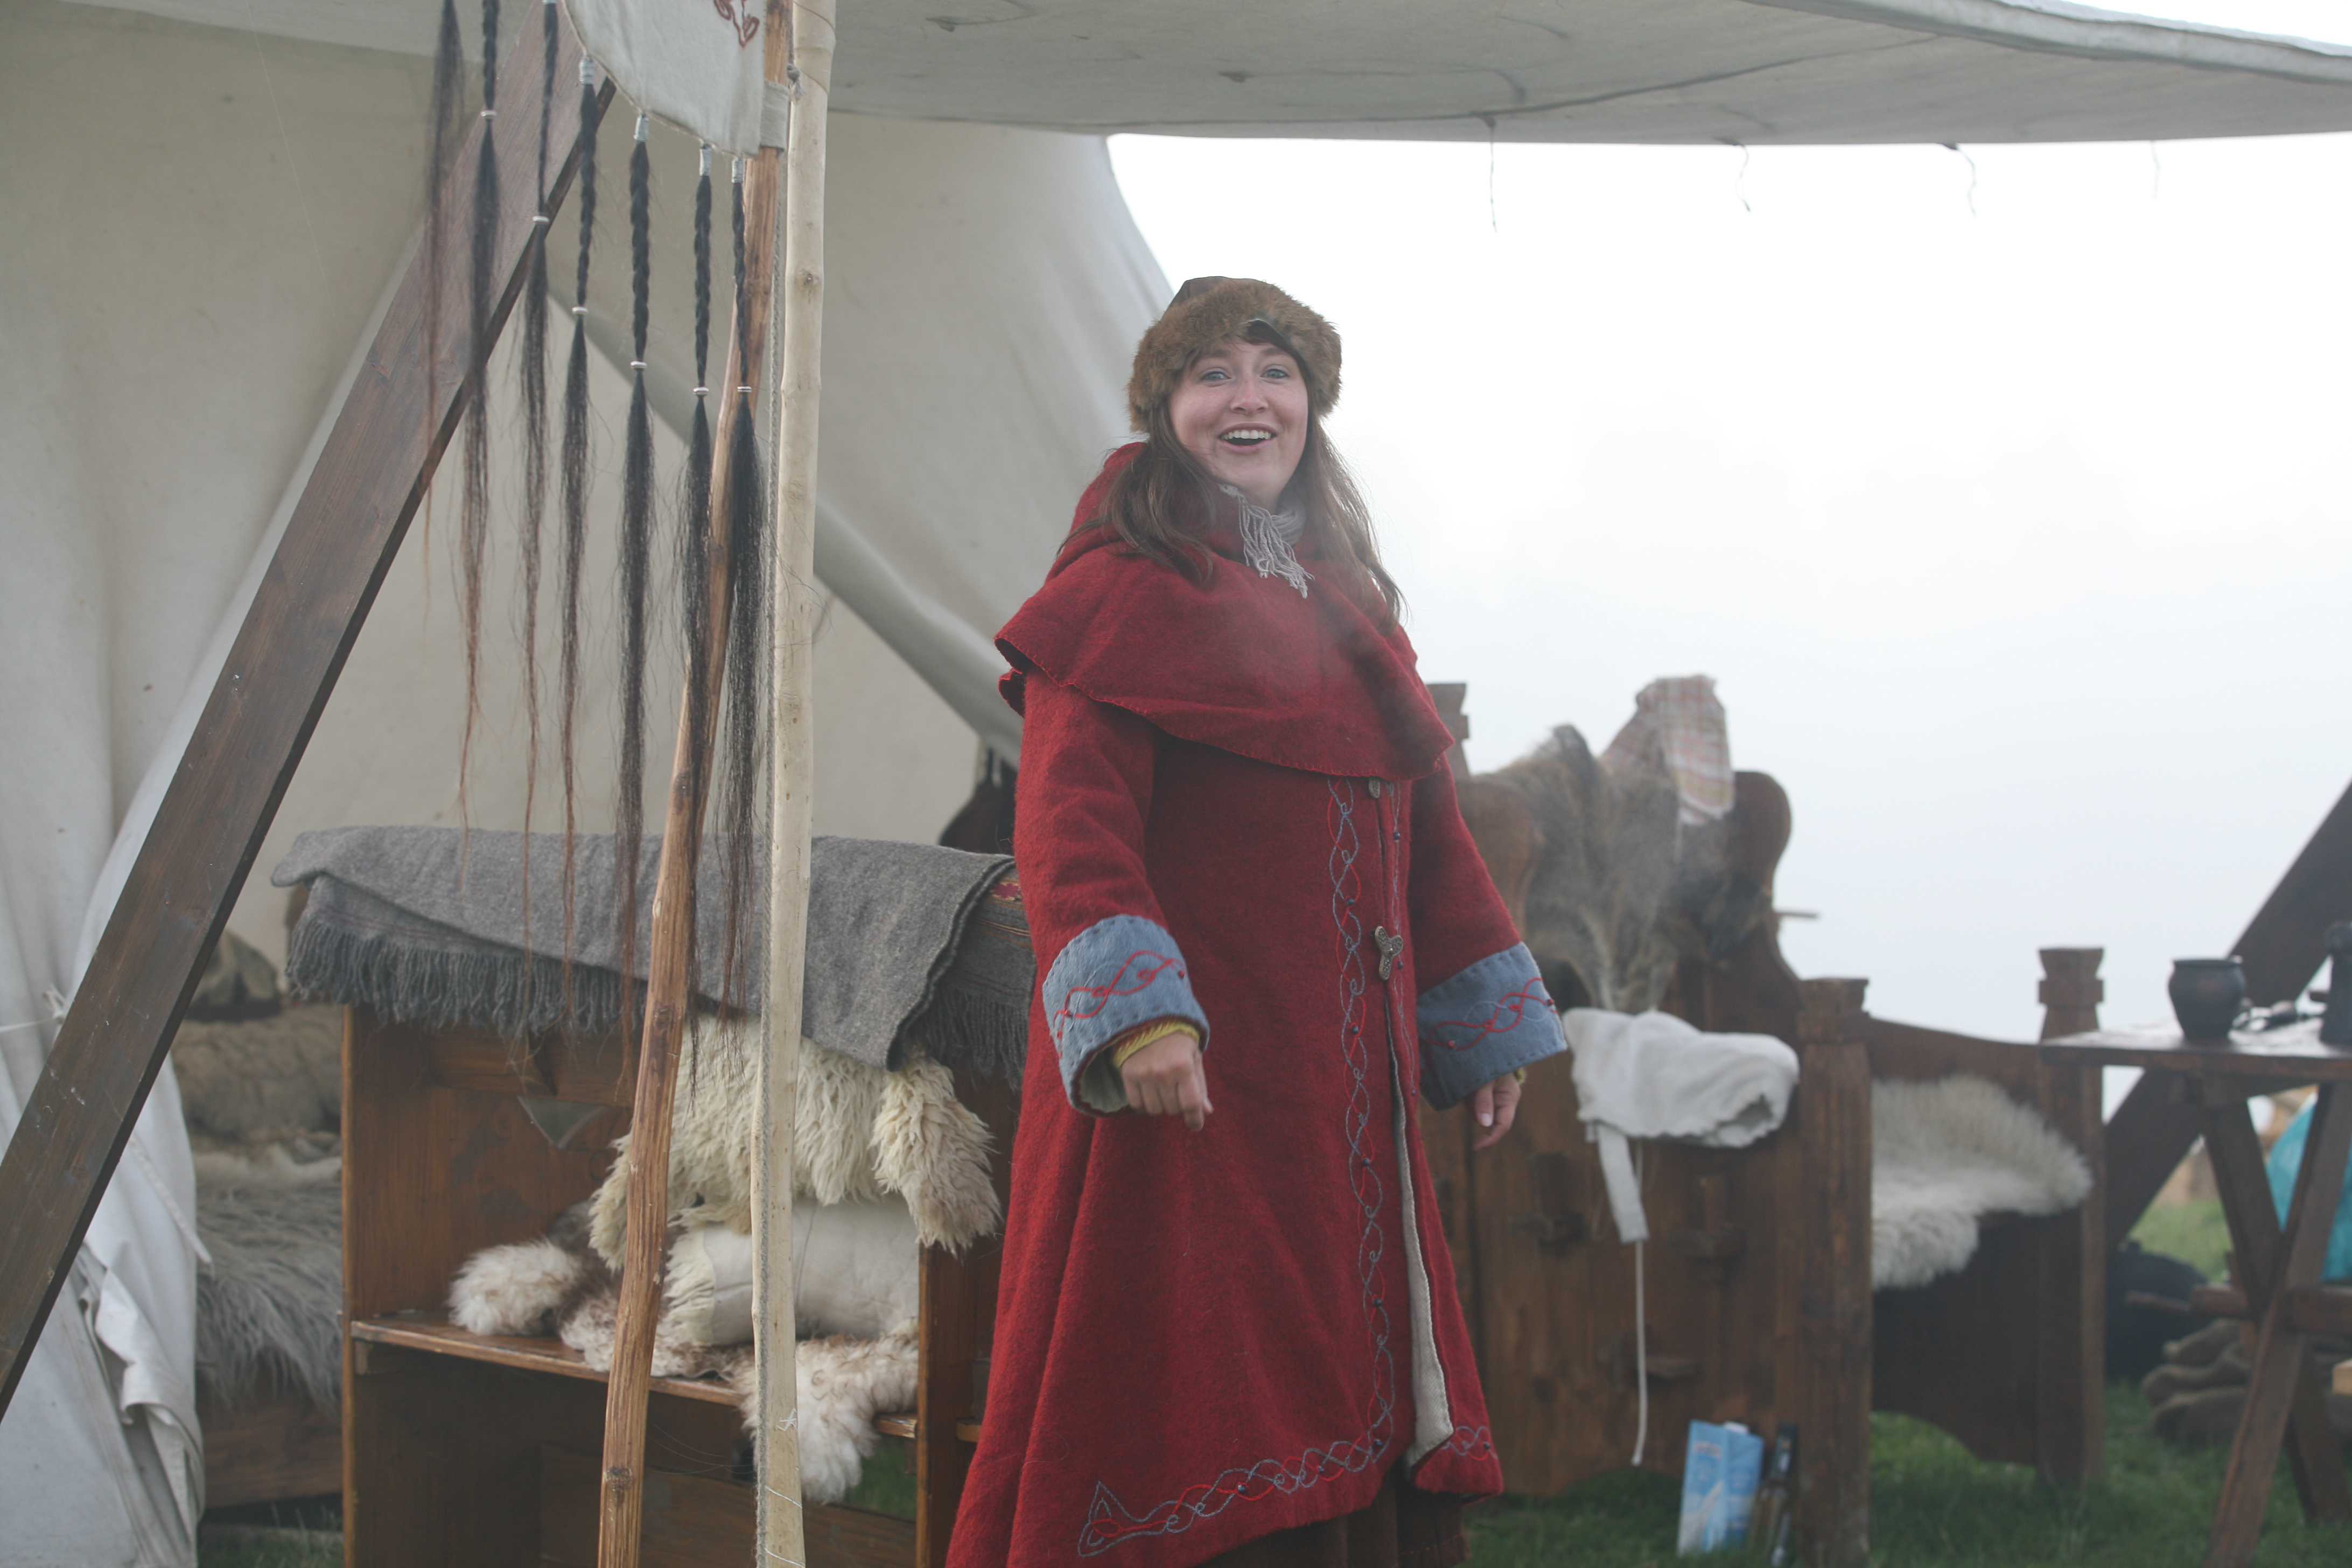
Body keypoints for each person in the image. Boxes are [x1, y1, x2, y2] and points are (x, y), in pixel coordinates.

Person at [949, 278, 1567, 1568]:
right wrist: (1140, 1019)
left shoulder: (1349, 607)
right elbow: (1069, 824)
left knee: (1345, 1377)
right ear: (1165, 408)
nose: (1250, 399)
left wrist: (1482, 1024)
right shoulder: (1119, 590)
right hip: (1189, 1086)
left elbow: (1427, 821)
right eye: (1214, 374)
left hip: (1340, 1096)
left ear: (1312, 406)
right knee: (1194, 1398)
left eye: (1276, 372)